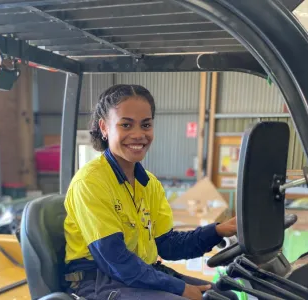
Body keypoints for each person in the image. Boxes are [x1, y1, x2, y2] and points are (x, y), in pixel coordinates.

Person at [63, 84, 239, 300]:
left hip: (139, 274)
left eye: (145, 125)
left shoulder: (149, 184)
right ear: (104, 128)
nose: (138, 135)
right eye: (126, 125)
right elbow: (115, 260)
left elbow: (167, 245)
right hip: (97, 279)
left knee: (225, 296)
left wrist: (218, 231)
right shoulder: (91, 182)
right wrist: (179, 288)